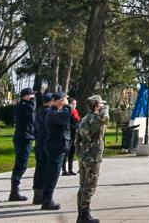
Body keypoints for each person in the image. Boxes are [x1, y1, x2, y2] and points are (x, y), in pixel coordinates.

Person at [75, 95, 110, 223]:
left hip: (84, 155)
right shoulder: (97, 118)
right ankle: (84, 215)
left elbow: (77, 138)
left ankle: (81, 214)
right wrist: (106, 108)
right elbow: (106, 118)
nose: (103, 105)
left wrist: (79, 152)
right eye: (101, 104)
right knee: (90, 185)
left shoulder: (85, 118)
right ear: (96, 105)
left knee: (83, 185)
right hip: (93, 156)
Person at [41, 91, 74, 210]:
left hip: (58, 146)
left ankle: (47, 198)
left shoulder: (56, 112)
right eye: (64, 99)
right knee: (53, 173)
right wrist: (67, 106)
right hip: (55, 146)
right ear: (60, 100)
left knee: (54, 172)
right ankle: (47, 200)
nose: (66, 101)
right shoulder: (52, 113)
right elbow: (65, 119)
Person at [9, 87, 35, 202]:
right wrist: (31, 101)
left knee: (21, 164)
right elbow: (31, 116)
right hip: (23, 138)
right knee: (21, 164)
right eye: (32, 95)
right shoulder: (25, 106)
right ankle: (14, 191)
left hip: (24, 137)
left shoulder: (23, 105)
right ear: (26, 96)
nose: (33, 98)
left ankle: (14, 190)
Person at [31, 92, 52, 205]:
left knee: (39, 169)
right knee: (44, 169)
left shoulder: (39, 111)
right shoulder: (48, 112)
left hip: (39, 142)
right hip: (45, 143)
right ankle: (42, 195)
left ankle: (37, 194)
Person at [63, 97, 81, 176]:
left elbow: (78, 121)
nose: (74, 105)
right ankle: (64, 169)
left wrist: (78, 128)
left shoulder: (75, 112)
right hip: (69, 133)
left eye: (75, 104)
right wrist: (74, 128)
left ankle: (70, 169)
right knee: (66, 152)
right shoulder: (67, 112)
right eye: (73, 104)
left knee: (72, 152)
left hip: (75, 135)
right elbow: (68, 123)